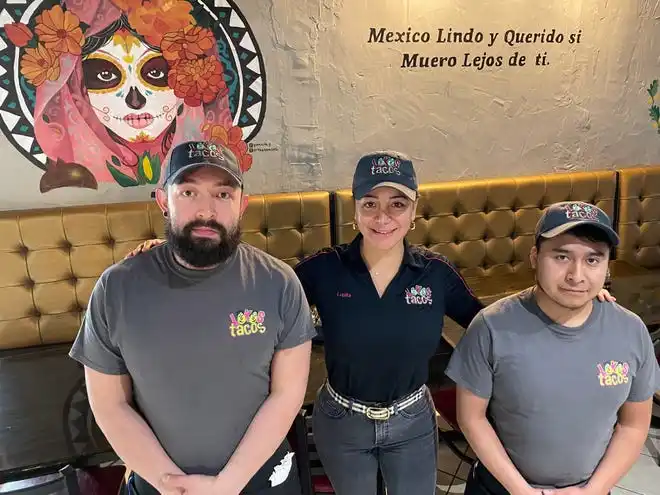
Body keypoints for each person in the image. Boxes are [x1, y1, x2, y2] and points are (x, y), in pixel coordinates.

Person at [127, 152, 616, 495]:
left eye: (397, 204)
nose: (384, 217)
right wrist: (164, 254)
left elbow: (490, 322)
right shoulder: (322, 270)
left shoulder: (435, 273)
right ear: (356, 208)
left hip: (413, 419)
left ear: (414, 211)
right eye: (370, 204)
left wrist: (569, 294)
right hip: (342, 421)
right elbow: (259, 292)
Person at [69, 140, 316, 495]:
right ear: (163, 201)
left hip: (263, 481)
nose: (206, 210)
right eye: (188, 192)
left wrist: (227, 485)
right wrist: (172, 486)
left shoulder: (278, 282)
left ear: (241, 205)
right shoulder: (116, 288)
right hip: (159, 484)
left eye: (222, 195)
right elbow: (111, 404)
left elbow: (286, 394)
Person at [445, 201, 660, 495]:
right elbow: (471, 417)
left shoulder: (631, 331)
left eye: (593, 260)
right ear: (535, 256)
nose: (577, 275)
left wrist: (592, 491)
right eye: (561, 257)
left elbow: (633, 426)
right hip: (500, 487)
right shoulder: (492, 326)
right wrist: (522, 491)